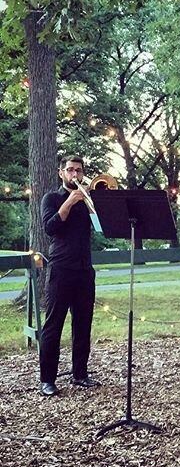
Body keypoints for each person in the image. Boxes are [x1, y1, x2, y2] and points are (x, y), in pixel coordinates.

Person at [39, 155, 100, 397]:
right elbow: (50, 227)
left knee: (83, 324)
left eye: (79, 170)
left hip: (85, 269)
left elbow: (102, 227)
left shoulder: (87, 200)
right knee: (54, 324)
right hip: (61, 268)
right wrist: (71, 201)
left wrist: (89, 201)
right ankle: (47, 379)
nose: (75, 174)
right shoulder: (52, 198)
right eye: (70, 170)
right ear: (61, 173)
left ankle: (80, 373)